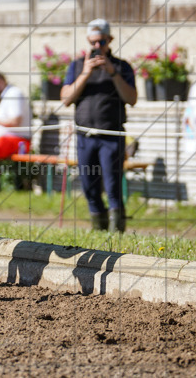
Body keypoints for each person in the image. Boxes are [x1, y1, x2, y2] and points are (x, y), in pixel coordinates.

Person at [61, 19, 137, 232]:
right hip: (85, 137)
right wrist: (86, 73)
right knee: (89, 186)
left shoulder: (122, 66)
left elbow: (132, 98)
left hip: (111, 135)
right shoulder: (77, 66)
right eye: (93, 42)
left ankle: (116, 232)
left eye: (101, 42)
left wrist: (112, 72)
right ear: (88, 41)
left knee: (113, 186)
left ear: (110, 40)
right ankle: (98, 229)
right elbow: (66, 98)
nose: (97, 47)